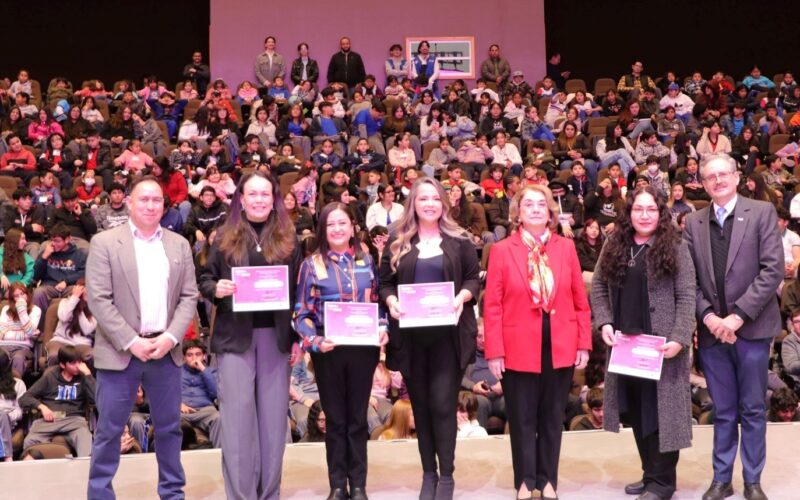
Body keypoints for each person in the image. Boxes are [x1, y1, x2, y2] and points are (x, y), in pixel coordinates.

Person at [86, 175, 199, 498]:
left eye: (157, 200)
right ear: (130, 203)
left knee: (169, 429)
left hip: (166, 351)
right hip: (121, 352)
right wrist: (132, 341)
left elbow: (189, 297)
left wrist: (171, 337)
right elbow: (98, 299)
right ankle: (99, 493)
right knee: (108, 431)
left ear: (164, 205)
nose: (151, 205)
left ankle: (172, 492)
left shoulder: (179, 244)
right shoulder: (105, 243)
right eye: (144, 199)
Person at [682, 154, 783, 500]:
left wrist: (737, 316)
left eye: (724, 174)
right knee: (722, 410)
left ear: (738, 177)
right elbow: (689, 279)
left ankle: (752, 480)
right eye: (710, 176)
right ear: (703, 183)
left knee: (753, 408)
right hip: (713, 333)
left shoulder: (762, 212)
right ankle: (721, 479)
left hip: (752, 330)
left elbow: (772, 270)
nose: (718, 180)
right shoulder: (692, 222)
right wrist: (709, 317)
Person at [197, 171, 302, 499]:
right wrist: (218, 288)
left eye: (265, 194)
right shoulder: (224, 237)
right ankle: (241, 495)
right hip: (234, 340)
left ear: (274, 199)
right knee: (238, 425)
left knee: (273, 425)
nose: (259, 199)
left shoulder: (288, 238)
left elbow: (298, 291)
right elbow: (204, 279)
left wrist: (298, 336)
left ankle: (269, 493)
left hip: (277, 338)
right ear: (240, 199)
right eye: (252, 194)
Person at [483, 183, 591, 500]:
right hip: (517, 348)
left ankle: (547, 480)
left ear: (550, 212)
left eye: (540, 204)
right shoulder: (502, 251)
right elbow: (492, 306)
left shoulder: (566, 248)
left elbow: (579, 300)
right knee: (522, 418)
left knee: (552, 417)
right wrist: (494, 351)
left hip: (559, 345)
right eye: (527, 204)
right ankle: (525, 480)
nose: (534, 209)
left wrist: (583, 342)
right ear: (517, 212)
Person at [592, 185, 696, 500]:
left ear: (661, 213)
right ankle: (650, 474)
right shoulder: (615, 244)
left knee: (662, 414)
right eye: (639, 209)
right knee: (638, 411)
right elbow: (597, 285)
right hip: (627, 347)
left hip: (662, 349)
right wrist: (605, 321)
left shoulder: (676, 246)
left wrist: (679, 338)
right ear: (629, 212)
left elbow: (687, 294)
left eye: (651, 209)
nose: (645, 214)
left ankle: (663, 483)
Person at [379, 177, 480, 500]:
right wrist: (392, 302)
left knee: (441, 405)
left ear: (443, 204)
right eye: (423, 199)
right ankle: (428, 473)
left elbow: (471, 280)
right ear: (413, 204)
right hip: (411, 341)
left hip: (448, 340)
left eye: (435, 199)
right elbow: (385, 284)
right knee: (420, 409)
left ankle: (446, 475)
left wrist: (462, 296)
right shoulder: (397, 240)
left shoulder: (459, 240)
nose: (430, 204)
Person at [294, 203, 389, 500]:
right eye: (330, 224)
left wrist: (383, 327)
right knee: (335, 420)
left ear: (352, 226)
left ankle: (358, 484)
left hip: (363, 350)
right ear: (323, 229)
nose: (337, 229)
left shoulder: (365, 260)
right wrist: (314, 341)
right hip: (329, 351)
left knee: (357, 419)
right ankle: (338, 484)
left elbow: (378, 304)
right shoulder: (311, 265)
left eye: (342, 223)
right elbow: (301, 314)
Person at [20, 346, 95, 456]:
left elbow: (97, 399)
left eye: (79, 362)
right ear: (62, 365)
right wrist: (42, 407)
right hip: (51, 419)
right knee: (30, 441)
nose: (78, 366)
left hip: (74, 420)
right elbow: (24, 399)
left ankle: (83, 471)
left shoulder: (84, 377)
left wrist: (88, 375)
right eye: (73, 363)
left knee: (85, 439)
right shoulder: (50, 377)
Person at [180, 339, 220, 448]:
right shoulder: (176, 372)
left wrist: (203, 369)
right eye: (190, 355)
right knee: (170, 419)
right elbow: (167, 393)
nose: (194, 358)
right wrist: (177, 404)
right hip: (182, 410)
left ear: (204, 356)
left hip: (205, 410)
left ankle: (217, 457)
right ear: (184, 358)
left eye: (198, 354)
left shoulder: (212, 372)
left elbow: (216, 393)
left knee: (219, 418)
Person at [46, 279, 95, 366]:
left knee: (92, 356)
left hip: (82, 344)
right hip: (61, 341)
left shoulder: (96, 309)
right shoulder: (65, 302)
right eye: (84, 288)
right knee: (54, 356)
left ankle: (88, 379)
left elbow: (87, 329)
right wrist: (75, 299)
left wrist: (79, 309)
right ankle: (54, 378)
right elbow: (64, 317)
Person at [0, 283, 41, 377]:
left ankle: (15, 389)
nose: (20, 298)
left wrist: (21, 308)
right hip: (3, 346)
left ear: (27, 294)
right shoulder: (6, 309)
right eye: (16, 296)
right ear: (12, 299)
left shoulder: (36, 310)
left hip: (23, 347)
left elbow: (30, 332)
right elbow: (1, 332)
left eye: (22, 294)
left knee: (18, 358)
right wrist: (24, 334)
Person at [0, 349, 26, 461]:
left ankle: (8, 457)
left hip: (7, 423)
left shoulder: (18, 384)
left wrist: (7, 417)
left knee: (2, 416)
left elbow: (20, 411)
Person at [0, 228, 34, 293]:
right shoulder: (1, 252)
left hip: (20, 288)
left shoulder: (27, 258)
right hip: (2, 287)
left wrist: (17, 287)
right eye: (23, 239)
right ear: (14, 240)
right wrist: (1, 275)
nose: (25, 242)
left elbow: (29, 276)